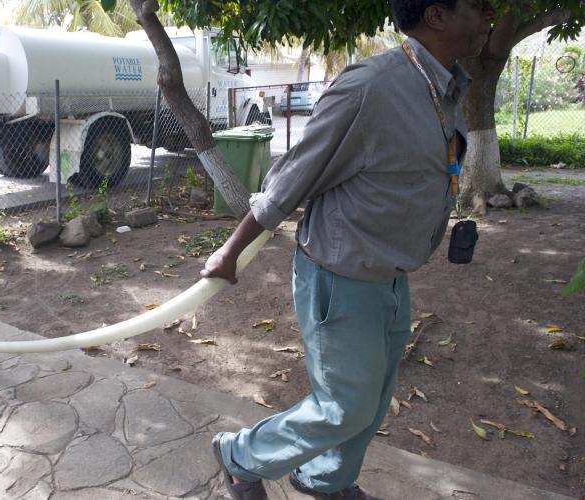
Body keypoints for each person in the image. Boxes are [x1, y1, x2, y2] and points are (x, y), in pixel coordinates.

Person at [204, 1, 496, 499]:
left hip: (391, 273)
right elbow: (291, 179)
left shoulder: (446, 86)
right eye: (478, 3)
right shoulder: (370, 87)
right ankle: (238, 455)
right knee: (344, 406)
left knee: (373, 399)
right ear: (437, 15)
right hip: (341, 277)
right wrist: (230, 252)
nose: (490, 11)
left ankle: (326, 480)